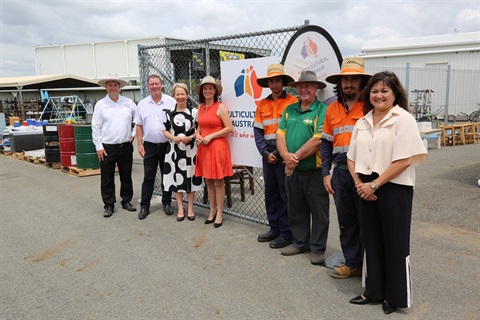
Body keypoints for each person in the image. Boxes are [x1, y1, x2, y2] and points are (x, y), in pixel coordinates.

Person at [347, 71, 427, 314]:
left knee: (395, 243)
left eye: (384, 91)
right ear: (367, 94)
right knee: (370, 240)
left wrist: (375, 185)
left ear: (395, 94)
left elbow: (404, 160)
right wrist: (360, 184)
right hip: (365, 185)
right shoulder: (362, 122)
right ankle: (373, 291)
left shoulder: (403, 119)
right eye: (374, 91)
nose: (379, 95)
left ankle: (394, 297)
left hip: (393, 186)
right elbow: (351, 158)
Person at [321, 57, 371, 279]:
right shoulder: (331, 109)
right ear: (339, 83)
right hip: (340, 172)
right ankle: (352, 263)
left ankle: (371, 265)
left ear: (361, 82)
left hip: (365, 172)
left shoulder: (370, 107)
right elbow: (325, 142)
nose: (349, 84)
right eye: (345, 80)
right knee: (347, 220)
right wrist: (325, 173)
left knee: (367, 220)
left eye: (354, 80)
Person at [276, 70, 330, 265]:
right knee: (295, 208)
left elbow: (318, 140)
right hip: (293, 170)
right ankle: (300, 243)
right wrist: (284, 156)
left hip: (314, 171)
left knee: (319, 212)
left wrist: (294, 158)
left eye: (308, 85)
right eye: (301, 86)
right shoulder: (290, 110)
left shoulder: (322, 110)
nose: (304, 89)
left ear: (316, 88)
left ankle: (317, 248)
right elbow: (280, 134)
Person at [254, 64, 297, 249]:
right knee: (271, 194)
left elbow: (294, 131)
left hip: (284, 154)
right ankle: (274, 228)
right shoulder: (262, 104)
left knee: (285, 194)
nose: (274, 84)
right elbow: (257, 131)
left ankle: (287, 232)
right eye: (271, 81)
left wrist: (280, 153)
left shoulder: (293, 102)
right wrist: (265, 153)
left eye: (277, 80)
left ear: (283, 82)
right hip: (268, 155)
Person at [92, 72, 137, 218]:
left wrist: (134, 133)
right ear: (106, 87)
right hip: (107, 147)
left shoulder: (128, 103)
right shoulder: (101, 105)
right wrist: (98, 146)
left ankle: (126, 201)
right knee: (107, 177)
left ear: (119, 87)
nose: (113, 87)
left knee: (126, 175)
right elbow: (95, 126)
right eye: (110, 85)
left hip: (125, 145)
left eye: (115, 85)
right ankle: (109, 204)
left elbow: (139, 120)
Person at [134, 75, 176, 220]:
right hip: (150, 146)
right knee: (148, 177)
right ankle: (144, 206)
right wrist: (140, 144)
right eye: (151, 84)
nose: (154, 86)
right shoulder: (142, 104)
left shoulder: (171, 102)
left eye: (157, 84)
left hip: (167, 145)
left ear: (162, 85)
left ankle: (167, 203)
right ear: (148, 87)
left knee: (167, 176)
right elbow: (138, 126)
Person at [194, 76, 233, 228]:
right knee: (208, 181)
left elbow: (229, 128)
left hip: (217, 147)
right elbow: (199, 127)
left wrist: (210, 136)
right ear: (202, 91)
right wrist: (198, 135)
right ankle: (212, 210)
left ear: (215, 90)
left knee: (218, 181)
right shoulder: (201, 107)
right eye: (205, 88)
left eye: (211, 88)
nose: (208, 91)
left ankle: (220, 213)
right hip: (204, 147)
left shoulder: (220, 107)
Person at [162, 83, 204, 221]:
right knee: (176, 179)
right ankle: (180, 208)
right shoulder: (168, 113)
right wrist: (173, 138)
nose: (180, 97)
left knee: (190, 179)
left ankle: (190, 207)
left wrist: (191, 137)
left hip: (190, 150)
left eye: (182, 94)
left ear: (187, 95)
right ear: (174, 96)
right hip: (174, 151)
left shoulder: (194, 112)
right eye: (177, 94)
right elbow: (164, 131)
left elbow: (200, 129)